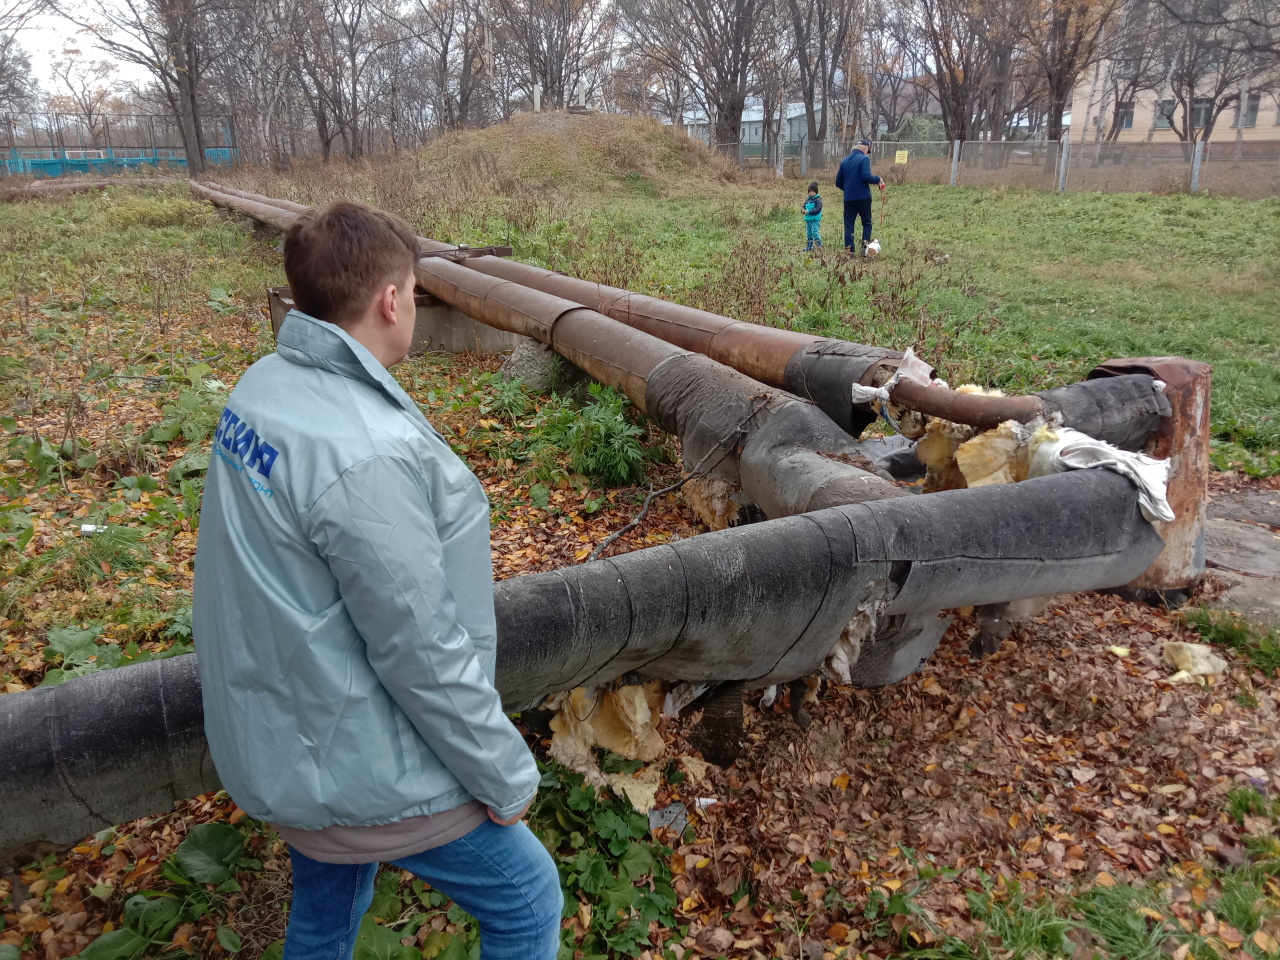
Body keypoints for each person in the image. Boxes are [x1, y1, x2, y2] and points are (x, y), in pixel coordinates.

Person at [192, 201, 562, 960]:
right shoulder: (365, 453)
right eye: (416, 293)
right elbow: (417, 646)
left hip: (285, 732)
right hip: (353, 757)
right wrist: (504, 775)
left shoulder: (264, 386)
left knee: (329, 905)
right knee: (527, 898)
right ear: (391, 301)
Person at [834, 139, 886, 256]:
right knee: (867, 223)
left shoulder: (845, 161)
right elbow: (866, 176)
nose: (867, 153)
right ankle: (864, 249)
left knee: (849, 225)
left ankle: (849, 251)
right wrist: (878, 179)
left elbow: (838, 182)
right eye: (868, 151)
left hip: (849, 199)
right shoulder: (864, 159)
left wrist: (848, 189)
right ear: (865, 148)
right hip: (863, 197)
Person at [802, 180, 823, 251]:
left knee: (815, 233)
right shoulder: (807, 200)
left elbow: (818, 209)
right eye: (810, 191)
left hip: (815, 220)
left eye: (813, 191)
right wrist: (802, 210)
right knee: (809, 234)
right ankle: (809, 247)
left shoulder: (818, 200)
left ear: (816, 192)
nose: (811, 193)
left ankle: (819, 246)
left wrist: (809, 211)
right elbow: (804, 206)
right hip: (808, 220)